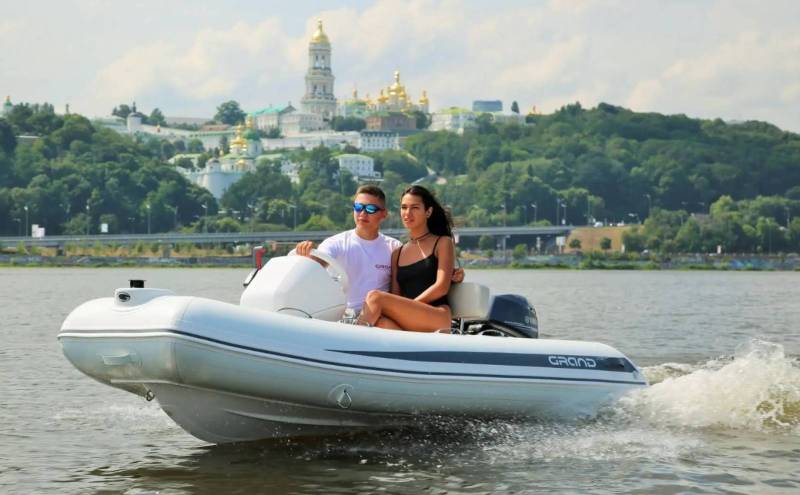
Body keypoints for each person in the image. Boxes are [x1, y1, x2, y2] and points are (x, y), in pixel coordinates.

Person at [357, 185, 455, 332]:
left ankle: (349, 340)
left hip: (438, 316)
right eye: (404, 207)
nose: (407, 213)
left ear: (428, 212)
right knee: (380, 323)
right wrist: (404, 310)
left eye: (414, 208)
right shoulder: (397, 253)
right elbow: (396, 295)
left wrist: (410, 306)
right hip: (409, 319)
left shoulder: (442, 243)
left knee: (375, 297)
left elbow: (441, 287)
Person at [295, 185, 401, 314]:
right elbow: (319, 262)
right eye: (358, 207)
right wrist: (307, 256)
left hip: (379, 316)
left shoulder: (394, 247)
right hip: (341, 316)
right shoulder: (336, 243)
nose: (362, 213)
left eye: (370, 209)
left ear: (384, 214)